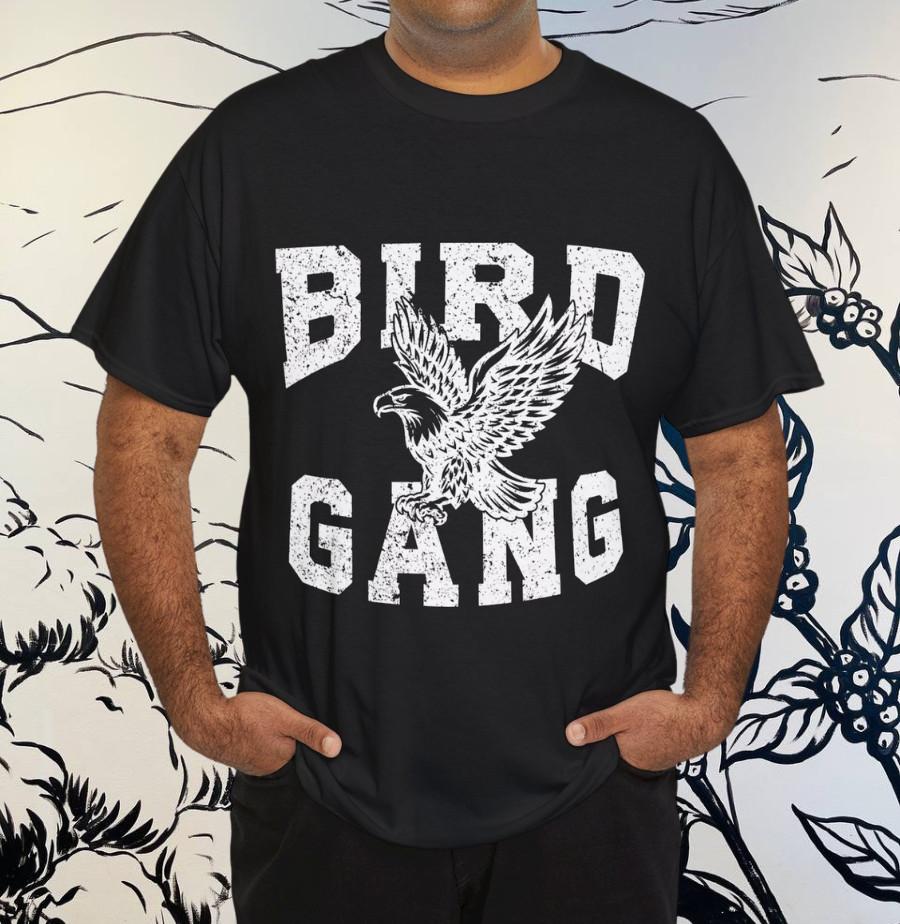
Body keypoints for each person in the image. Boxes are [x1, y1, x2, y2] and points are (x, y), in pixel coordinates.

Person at [69, 1, 824, 921]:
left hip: (594, 793)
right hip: (322, 791)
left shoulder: (669, 158)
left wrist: (709, 700)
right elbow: (144, 438)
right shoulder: (251, 150)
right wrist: (194, 700)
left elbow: (740, 457)